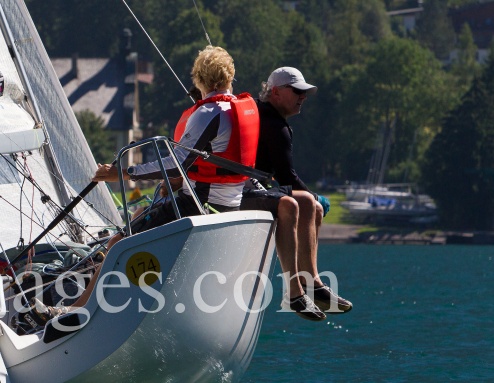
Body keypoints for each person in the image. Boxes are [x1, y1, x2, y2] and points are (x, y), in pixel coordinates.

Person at [92, 45, 259, 228]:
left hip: (197, 207)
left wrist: (123, 173)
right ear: (230, 78)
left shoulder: (209, 112)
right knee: (140, 214)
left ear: (199, 79)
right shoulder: (243, 111)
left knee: (115, 243)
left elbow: (176, 165)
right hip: (231, 208)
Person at [240, 67, 352, 320]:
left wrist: (311, 198)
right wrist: (314, 196)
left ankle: (311, 282)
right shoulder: (275, 126)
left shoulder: (260, 114)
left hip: (250, 188)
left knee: (311, 204)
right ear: (276, 92)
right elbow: (286, 177)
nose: (303, 97)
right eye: (298, 92)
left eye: (305, 93)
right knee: (308, 203)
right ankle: (297, 292)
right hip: (240, 192)